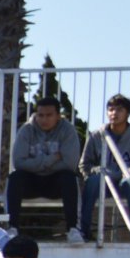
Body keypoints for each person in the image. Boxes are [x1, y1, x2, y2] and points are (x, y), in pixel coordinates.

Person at [6, 97, 84, 239]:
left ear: (58, 116)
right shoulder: (26, 130)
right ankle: (12, 227)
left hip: (55, 182)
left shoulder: (68, 130)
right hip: (32, 181)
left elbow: (70, 164)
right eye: (40, 115)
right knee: (15, 177)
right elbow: (18, 162)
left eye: (49, 115)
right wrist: (51, 159)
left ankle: (73, 228)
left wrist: (35, 164)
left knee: (69, 177)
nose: (44, 119)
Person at [80, 94, 130, 239]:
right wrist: (97, 171)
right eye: (110, 109)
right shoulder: (96, 135)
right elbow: (84, 165)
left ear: (128, 113)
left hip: (124, 181)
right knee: (93, 181)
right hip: (103, 181)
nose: (114, 113)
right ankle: (83, 231)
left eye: (119, 110)